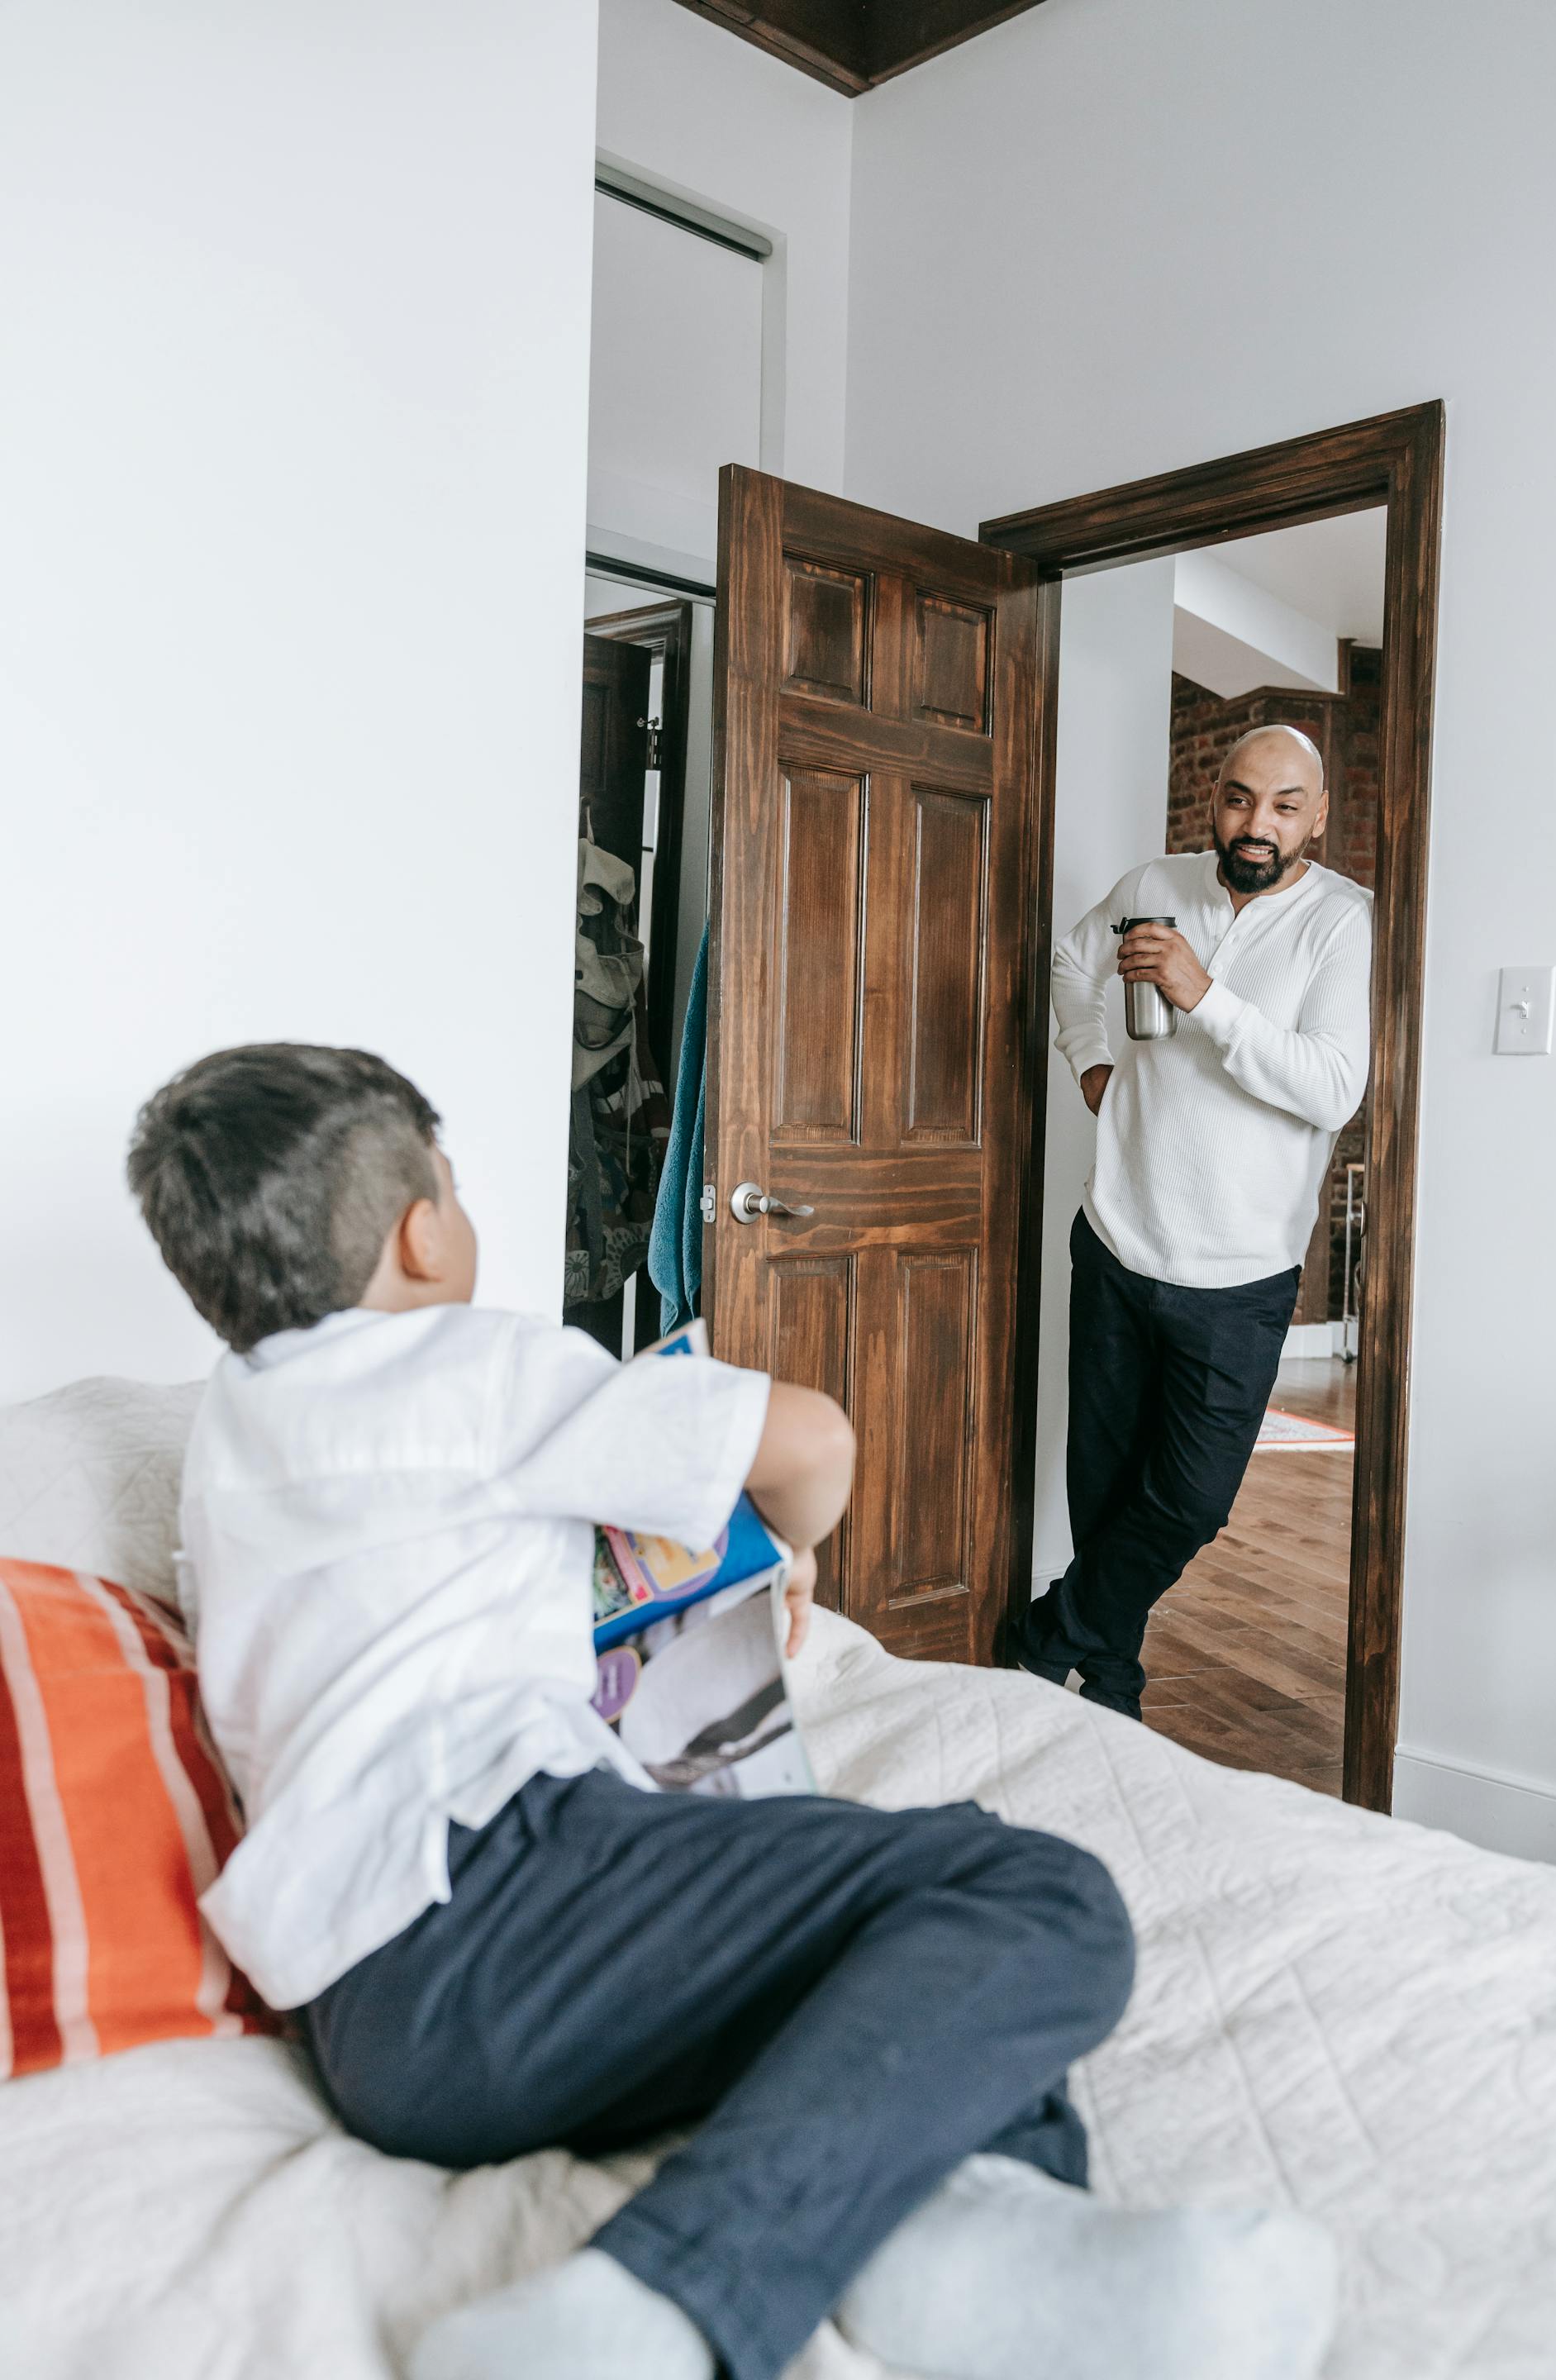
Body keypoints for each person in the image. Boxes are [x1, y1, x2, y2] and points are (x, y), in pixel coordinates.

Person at [128, 1040, 1337, 2380]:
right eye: (458, 1194)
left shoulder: (230, 1445)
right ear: (424, 1231)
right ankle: (657, 2305)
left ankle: (957, 2243)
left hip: (386, 2033)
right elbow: (815, 1443)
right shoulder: (467, 1365)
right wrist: (796, 1543)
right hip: (501, 1884)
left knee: (875, 1986)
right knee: (1024, 1892)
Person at [1014, 725, 1373, 1724]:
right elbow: (1068, 964)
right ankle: (1112, 1678)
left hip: (1242, 1273)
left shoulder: (1346, 923)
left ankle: (1050, 1635)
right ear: (1213, 796)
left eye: (1285, 805)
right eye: (1240, 797)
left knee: (1190, 1501)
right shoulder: (1153, 882)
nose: (1257, 824)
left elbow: (1332, 1091)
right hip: (1120, 1238)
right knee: (1103, 1477)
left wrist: (1202, 996)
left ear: (1318, 816)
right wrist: (1091, 1061)